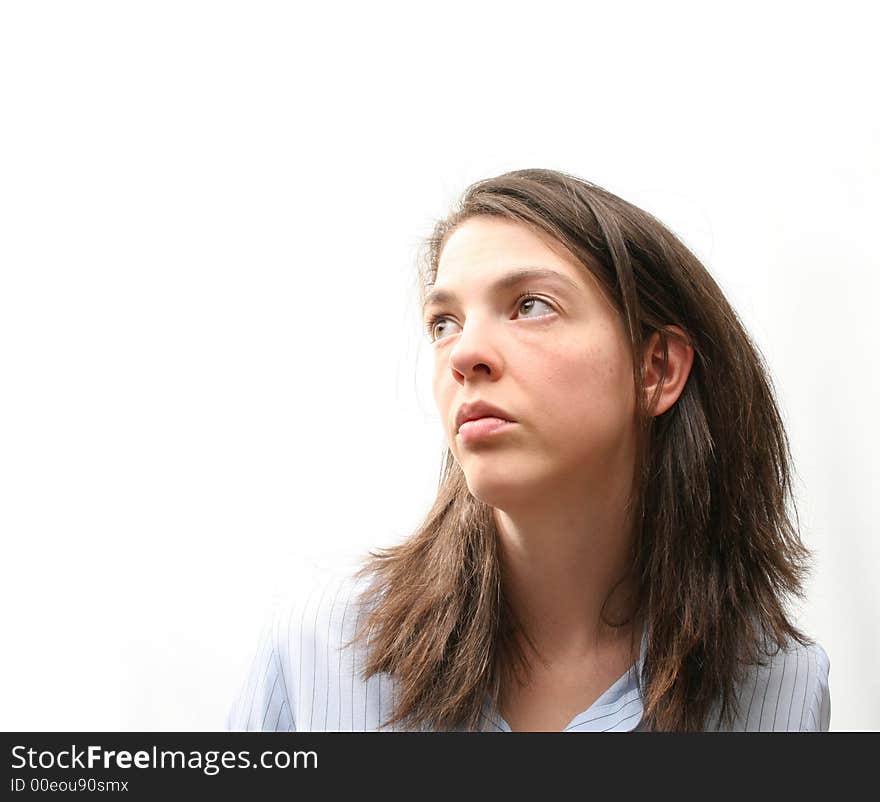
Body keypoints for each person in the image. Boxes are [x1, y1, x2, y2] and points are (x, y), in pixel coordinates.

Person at [226, 168, 831, 732]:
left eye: (530, 306)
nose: (464, 354)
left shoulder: (781, 688)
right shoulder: (318, 645)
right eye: (444, 322)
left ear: (656, 369)